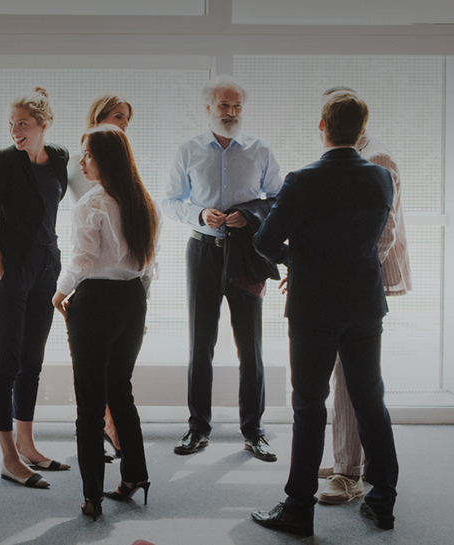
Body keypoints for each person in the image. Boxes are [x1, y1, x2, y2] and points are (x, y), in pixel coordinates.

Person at [249, 90, 401, 537]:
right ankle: (383, 500)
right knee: (370, 398)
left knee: (309, 404)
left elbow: (263, 241)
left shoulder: (303, 180)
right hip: (363, 302)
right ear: (361, 130)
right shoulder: (380, 178)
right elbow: (368, 235)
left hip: (315, 305)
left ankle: (298, 507)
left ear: (322, 127)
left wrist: (295, 260)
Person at [162, 75, 285, 461]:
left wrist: (249, 216)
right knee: (201, 344)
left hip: (247, 255)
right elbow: (169, 201)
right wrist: (199, 213)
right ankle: (198, 428)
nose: (230, 113)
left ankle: (254, 430)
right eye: (223, 106)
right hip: (203, 253)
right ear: (208, 109)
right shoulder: (189, 149)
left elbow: (279, 199)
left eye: (236, 107)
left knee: (251, 346)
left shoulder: (259, 150)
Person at [312, 86, 412, 506]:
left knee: (354, 383)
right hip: (348, 284)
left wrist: (335, 272)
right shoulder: (351, 152)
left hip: (356, 286)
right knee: (348, 378)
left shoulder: (378, 158)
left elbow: (381, 236)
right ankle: (345, 458)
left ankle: (349, 471)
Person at [54, 126, 159, 519]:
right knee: (121, 391)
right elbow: (150, 265)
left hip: (95, 302)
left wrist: (60, 291)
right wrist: (138, 305)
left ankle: (92, 496)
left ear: (106, 159)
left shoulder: (92, 204)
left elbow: (82, 260)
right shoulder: (146, 203)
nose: (81, 162)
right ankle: (135, 475)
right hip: (133, 300)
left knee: (90, 401)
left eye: (88, 155)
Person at [0, 87, 71, 489]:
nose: (16, 131)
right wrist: (2, 268)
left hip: (47, 269)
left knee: (32, 360)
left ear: (42, 126)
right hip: (11, 270)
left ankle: (28, 444)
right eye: (12, 124)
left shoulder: (61, 159)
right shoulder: (3, 161)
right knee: (7, 362)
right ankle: (8, 456)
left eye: (23, 124)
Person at [82, 93, 133, 460]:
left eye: (127, 118)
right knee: (94, 375)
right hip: (90, 275)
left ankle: (113, 429)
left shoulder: (123, 164)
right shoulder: (84, 165)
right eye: (118, 116)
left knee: (116, 377)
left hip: (120, 281)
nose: (124, 124)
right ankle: (104, 430)